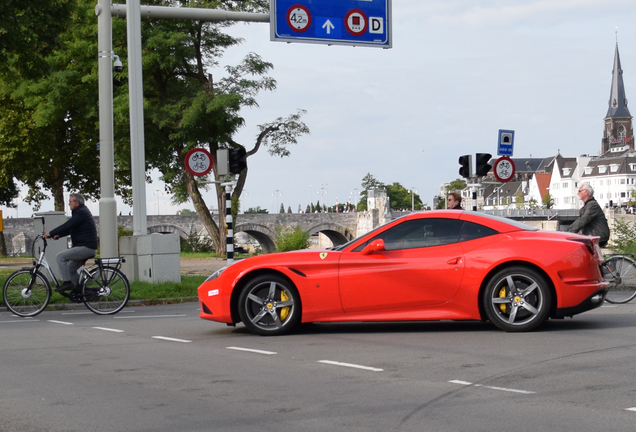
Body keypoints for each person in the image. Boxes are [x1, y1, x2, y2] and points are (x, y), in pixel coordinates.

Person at [44, 193, 98, 292]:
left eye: (70, 201)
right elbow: (71, 229)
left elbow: (67, 225)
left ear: (77, 203)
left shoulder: (81, 212)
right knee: (71, 270)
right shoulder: (80, 212)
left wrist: (50, 233)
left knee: (60, 257)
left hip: (86, 247)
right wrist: (58, 235)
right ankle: (81, 292)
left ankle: (67, 283)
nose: (69, 204)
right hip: (85, 246)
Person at [568, 183, 610, 247]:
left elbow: (583, 221)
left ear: (586, 192)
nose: (577, 193)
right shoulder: (587, 205)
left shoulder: (592, 205)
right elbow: (579, 222)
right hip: (593, 235)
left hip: (598, 236)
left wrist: (568, 232)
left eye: (579, 191)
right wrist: (568, 230)